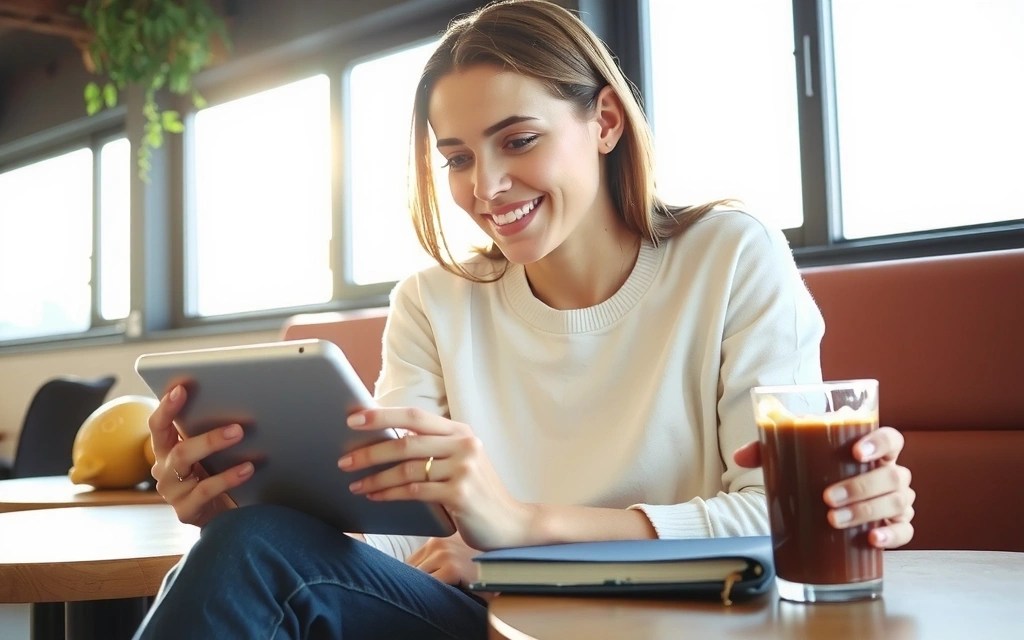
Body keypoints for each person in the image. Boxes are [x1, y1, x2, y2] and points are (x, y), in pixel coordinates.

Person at [133, 1, 916, 638]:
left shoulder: (730, 258)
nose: (489, 186)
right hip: (480, 622)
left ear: (604, 121)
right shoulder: (432, 302)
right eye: (459, 158)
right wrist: (244, 505)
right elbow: (403, 537)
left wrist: (518, 533)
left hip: (674, 623)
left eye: (519, 140)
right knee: (253, 547)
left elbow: (770, 518)